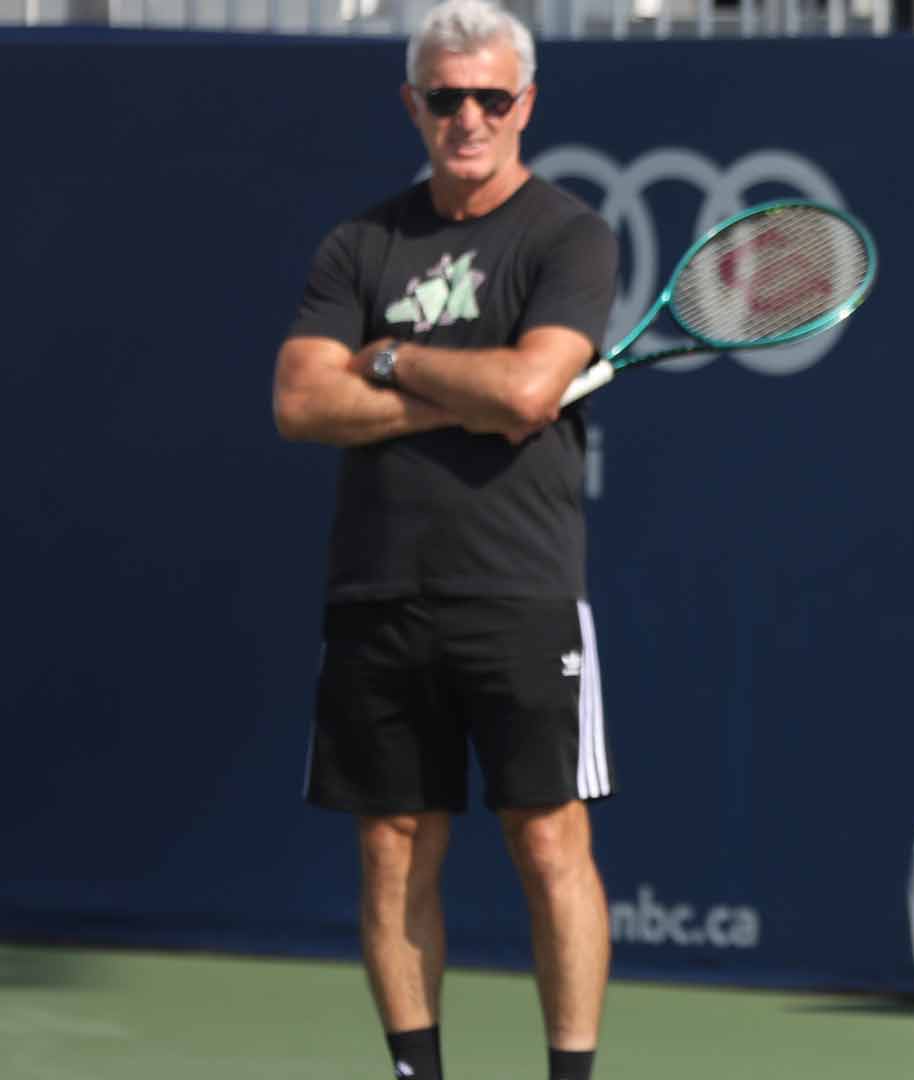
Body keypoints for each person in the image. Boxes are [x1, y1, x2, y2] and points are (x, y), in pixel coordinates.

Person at [271, 2, 618, 1078]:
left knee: (549, 839)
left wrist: (386, 360)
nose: (468, 117)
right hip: (376, 589)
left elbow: (529, 387)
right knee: (391, 849)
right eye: (445, 96)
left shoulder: (568, 235)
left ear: (525, 104)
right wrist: (471, 394)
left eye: (490, 96)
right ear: (413, 105)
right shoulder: (361, 242)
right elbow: (297, 402)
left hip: (518, 589)